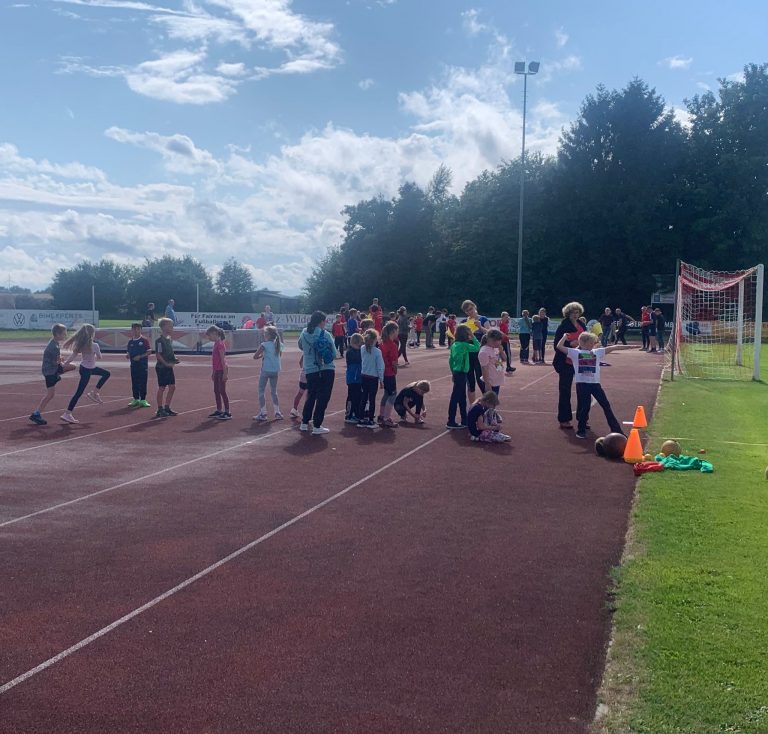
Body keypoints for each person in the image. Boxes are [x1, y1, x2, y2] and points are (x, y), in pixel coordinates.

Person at [556, 331, 631, 438]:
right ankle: (581, 431)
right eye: (591, 343)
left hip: (595, 384)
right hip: (582, 385)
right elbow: (559, 346)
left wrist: (633, 346)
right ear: (583, 343)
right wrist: (564, 336)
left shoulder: (597, 352)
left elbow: (614, 347)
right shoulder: (574, 353)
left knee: (606, 405)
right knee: (585, 407)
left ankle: (617, 430)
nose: (593, 345)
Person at [60, 324, 111, 424]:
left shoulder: (81, 344)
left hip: (84, 368)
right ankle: (67, 413)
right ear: (92, 334)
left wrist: (64, 364)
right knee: (79, 392)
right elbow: (100, 357)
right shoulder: (95, 345)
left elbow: (73, 356)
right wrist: (94, 354)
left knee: (106, 373)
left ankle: (95, 393)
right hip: (88, 370)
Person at [28, 323, 75, 425]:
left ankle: (37, 413)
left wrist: (60, 360)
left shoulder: (54, 343)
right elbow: (56, 362)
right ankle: (36, 414)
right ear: (58, 334)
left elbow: (55, 359)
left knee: (51, 394)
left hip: (50, 370)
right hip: (50, 371)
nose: (65, 335)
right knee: (50, 394)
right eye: (64, 334)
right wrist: (62, 363)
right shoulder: (54, 346)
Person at [298, 311, 336, 435]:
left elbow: (300, 346)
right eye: (324, 321)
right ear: (321, 322)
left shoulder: (304, 333)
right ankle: (317, 425)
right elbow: (334, 354)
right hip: (326, 368)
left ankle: (304, 422)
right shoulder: (326, 335)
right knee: (323, 398)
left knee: (311, 395)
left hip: (309, 369)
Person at [551, 302, 586, 430]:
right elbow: (556, 345)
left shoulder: (582, 324)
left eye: (577, 312)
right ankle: (564, 419)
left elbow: (587, 339)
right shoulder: (563, 326)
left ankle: (583, 418)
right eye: (573, 313)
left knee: (583, 390)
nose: (575, 315)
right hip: (566, 363)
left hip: (581, 362)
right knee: (565, 391)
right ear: (568, 313)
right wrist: (570, 343)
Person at [447, 323, 480, 429]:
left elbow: (450, 361)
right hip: (461, 373)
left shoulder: (454, 345)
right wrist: (473, 336)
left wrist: (452, 372)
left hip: (457, 372)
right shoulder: (464, 345)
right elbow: (477, 347)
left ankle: (464, 420)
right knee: (456, 398)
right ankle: (450, 421)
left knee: (461, 398)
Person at [461, 300, 491, 402]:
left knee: (482, 380)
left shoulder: (483, 319)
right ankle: (472, 407)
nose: (469, 312)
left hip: (480, 355)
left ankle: (487, 406)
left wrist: (480, 327)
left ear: (475, 307)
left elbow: (490, 333)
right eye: (467, 311)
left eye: (470, 309)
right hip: (468, 356)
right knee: (470, 383)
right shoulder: (464, 322)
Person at [253, 325, 283, 421]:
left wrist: (262, 356)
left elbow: (255, 356)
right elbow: (279, 355)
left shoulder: (264, 344)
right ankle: (277, 412)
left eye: (265, 333)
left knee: (261, 391)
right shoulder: (278, 344)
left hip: (266, 370)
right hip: (275, 370)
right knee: (274, 391)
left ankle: (263, 413)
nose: (264, 335)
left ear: (268, 335)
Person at [154, 317, 180, 418]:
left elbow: (170, 353)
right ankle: (160, 409)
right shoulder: (159, 341)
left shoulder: (169, 340)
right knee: (162, 387)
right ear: (164, 327)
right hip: (162, 367)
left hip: (169, 366)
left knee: (172, 387)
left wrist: (174, 359)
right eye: (170, 326)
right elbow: (158, 355)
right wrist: (166, 364)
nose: (172, 327)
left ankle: (167, 407)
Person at [358, 328, 384, 429]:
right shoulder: (377, 352)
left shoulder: (362, 348)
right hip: (373, 378)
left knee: (364, 398)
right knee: (372, 399)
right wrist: (381, 380)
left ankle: (361, 419)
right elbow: (380, 366)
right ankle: (370, 420)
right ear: (375, 339)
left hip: (364, 376)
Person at [205, 326, 231, 420]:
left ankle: (227, 411)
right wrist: (213, 372)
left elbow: (222, 359)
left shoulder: (220, 344)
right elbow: (215, 361)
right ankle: (219, 409)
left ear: (215, 333)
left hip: (221, 370)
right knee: (216, 390)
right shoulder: (216, 344)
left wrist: (225, 373)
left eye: (209, 336)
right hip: (217, 371)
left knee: (222, 391)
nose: (209, 338)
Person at [378, 321, 400, 427]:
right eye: (397, 331)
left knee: (386, 394)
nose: (398, 333)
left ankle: (381, 415)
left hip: (382, 372)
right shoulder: (392, 345)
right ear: (393, 331)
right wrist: (395, 370)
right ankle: (386, 418)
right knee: (392, 394)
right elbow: (394, 362)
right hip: (389, 372)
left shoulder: (382, 343)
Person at [126, 323, 151, 408]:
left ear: (141, 330)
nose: (136, 331)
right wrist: (128, 355)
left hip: (143, 365)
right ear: (132, 330)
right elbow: (128, 351)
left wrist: (140, 357)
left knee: (143, 382)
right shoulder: (130, 341)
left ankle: (143, 399)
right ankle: (136, 399)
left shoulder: (144, 340)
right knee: (134, 382)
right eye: (134, 329)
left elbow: (149, 352)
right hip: (133, 365)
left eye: (138, 329)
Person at [344, 332, 364, 424]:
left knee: (358, 396)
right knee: (352, 397)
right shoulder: (350, 352)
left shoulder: (356, 351)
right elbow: (358, 359)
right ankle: (349, 415)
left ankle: (356, 413)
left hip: (357, 378)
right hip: (353, 378)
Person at [479, 328, 506, 396]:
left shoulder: (495, 348)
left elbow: (504, 359)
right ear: (491, 340)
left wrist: (501, 351)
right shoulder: (484, 352)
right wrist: (487, 385)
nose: (500, 342)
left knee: (493, 404)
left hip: (496, 381)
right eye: (498, 340)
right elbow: (484, 369)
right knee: (489, 405)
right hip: (491, 383)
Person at [290, 355, 307, 419]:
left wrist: (303, 368)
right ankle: (306, 412)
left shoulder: (304, 353)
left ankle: (294, 409)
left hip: (303, 374)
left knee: (300, 393)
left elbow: (300, 362)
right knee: (309, 395)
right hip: (310, 374)